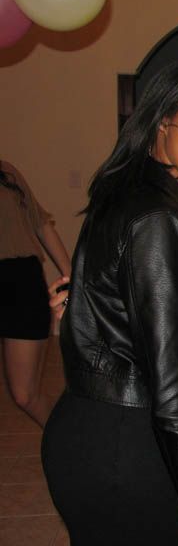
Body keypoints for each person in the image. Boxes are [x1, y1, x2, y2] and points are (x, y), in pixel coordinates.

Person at [41, 54, 178, 546]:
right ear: (162, 120)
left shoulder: (134, 196)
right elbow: (174, 397)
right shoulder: (159, 219)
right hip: (126, 446)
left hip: (102, 431)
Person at [0, 161, 70, 427]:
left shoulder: (6, 172)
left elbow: (41, 225)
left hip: (20, 283)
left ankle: (71, 447)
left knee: (24, 395)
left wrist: (72, 277)